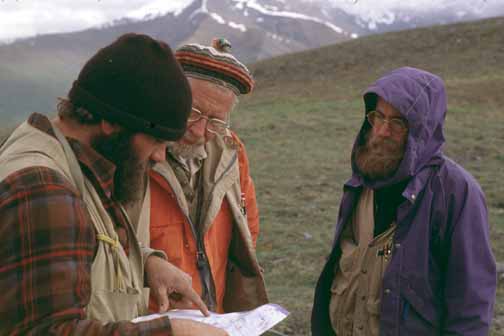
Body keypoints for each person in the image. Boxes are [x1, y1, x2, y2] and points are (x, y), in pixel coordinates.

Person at [0, 33, 227, 335]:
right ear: (111, 122)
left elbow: (76, 243)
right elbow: (47, 329)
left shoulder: (74, 156)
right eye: (156, 140)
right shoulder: (42, 189)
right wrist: (170, 332)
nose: (160, 156)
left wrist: (145, 264)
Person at [311, 67, 497, 335]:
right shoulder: (363, 180)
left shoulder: (456, 193)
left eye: (398, 123)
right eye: (378, 117)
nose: (383, 131)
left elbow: (470, 306)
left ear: (422, 129)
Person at [147, 38, 268, 314]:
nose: (199, 131)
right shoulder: (136, 151)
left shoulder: (231, 150)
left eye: (216, 121)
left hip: (214, 318)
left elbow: (248, 228)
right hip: (153, 324)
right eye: (192, 112)